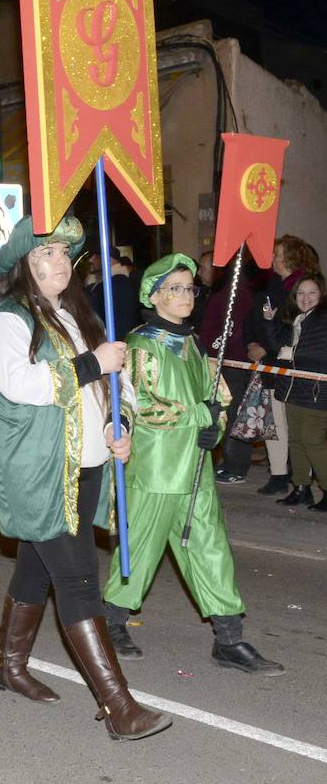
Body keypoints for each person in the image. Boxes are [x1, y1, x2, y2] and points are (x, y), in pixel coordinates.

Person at [0, 215, 171, 741]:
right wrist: (92, 365)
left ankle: (8, 668)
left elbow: (114, 384)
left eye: (63, 254)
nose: (59, 263)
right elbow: (22, 385)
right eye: (45, 255)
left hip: (89, 464)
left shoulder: (77, 315)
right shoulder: (3, 321)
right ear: (22, 267)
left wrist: (118, 422)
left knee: (36, 569)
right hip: (39, 468)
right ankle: (118, 707)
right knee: (78, 580)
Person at [101, 254, 283, 674]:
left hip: (196, 467)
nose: (185, 296)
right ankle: (112, 622)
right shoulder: (142, 345)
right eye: (175, 289)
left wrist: (215, 427)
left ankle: (230, 638)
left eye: (189, 288)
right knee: (141, 549)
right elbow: (144, 406)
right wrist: (201, 415)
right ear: (155, 296)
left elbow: (217, 397)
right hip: (156, 468)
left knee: (210, 546)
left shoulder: (195, 343)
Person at [245, 235, 319, 495]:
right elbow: (253, 318)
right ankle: (280, 474)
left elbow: (295, 327)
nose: (272, 258)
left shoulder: (304, 288)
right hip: (270, 365)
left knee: (299, 428)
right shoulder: (271, 285)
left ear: (291, 256)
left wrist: (267, 344)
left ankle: (303, 480)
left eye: (277, 253)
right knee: (274, 423)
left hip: (293, 367)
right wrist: (252, 342)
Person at [268, 273, 327, 509]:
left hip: (317, 390)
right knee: (296, 440)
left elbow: (319, 353)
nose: (306, 297)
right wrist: (269, 321)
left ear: (321, 294)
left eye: (312, 292)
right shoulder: (298, 319)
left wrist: (290, 354)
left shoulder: (322, 318)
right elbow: (275, 347)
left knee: (313, 440)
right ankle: (301, 487)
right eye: (301, 293)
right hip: (294, 388)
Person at [201, 252, 257, 487]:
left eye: (205, 268)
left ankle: (237, 465)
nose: (201, 273)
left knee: (234, 414)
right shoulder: (222, 294)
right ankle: (229, 459)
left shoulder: (235, 294)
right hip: (223, 361)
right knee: (225, 412)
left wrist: (215, 349)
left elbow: (232, 329)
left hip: (231, 363)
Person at [87, 247, 139, 341]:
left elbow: (122, 323)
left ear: (108, 260)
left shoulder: (118, 283)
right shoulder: (101, 283)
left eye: (96, 257)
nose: (91, 260)